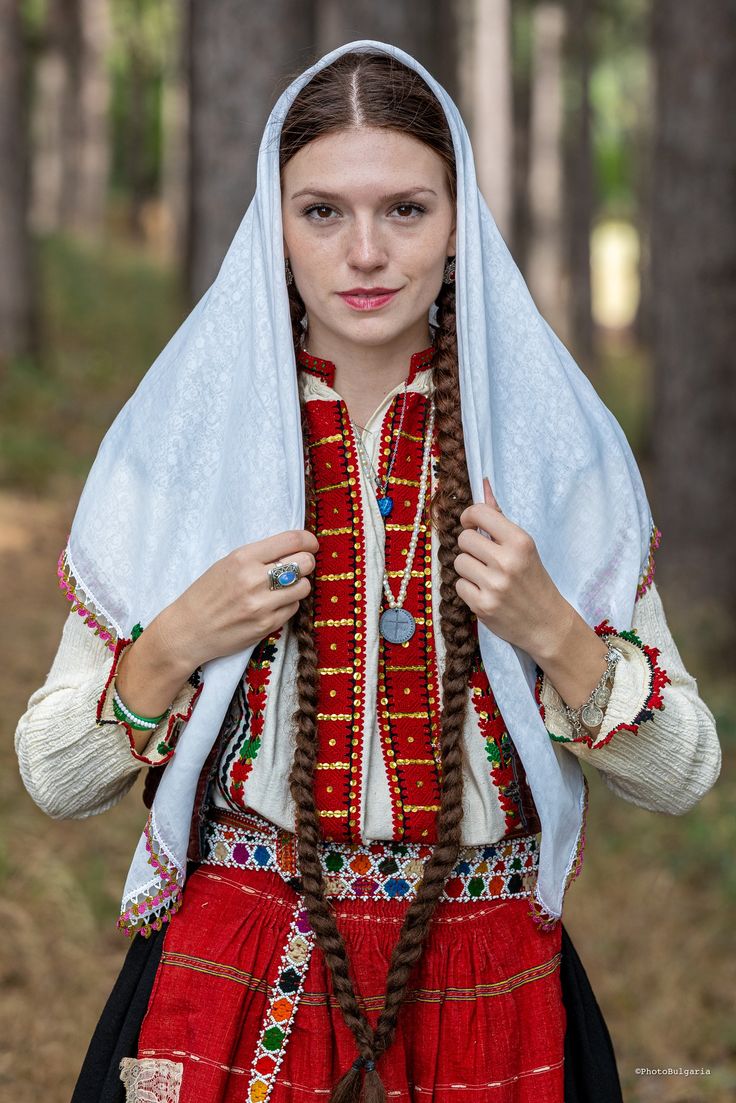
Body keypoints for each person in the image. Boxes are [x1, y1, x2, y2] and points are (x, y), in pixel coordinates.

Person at [14, 40, 721, 1103]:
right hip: (240, 967)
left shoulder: (545, 449)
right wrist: (172, 644)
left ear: (457, 222)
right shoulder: (185, 448)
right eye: (322, 212)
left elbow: (682, 772)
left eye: (404, 209)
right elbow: (54, 776)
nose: (365, 253)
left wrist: (558, 635)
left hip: (489, 974)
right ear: (274, 222)